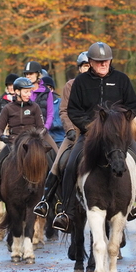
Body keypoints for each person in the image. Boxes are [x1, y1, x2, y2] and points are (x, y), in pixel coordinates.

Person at [51, 42, 136, 232]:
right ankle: (66, 213)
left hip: (118, 135)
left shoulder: (121, 79)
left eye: (106, 61)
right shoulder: (81, 83)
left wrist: (122, 123)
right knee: (70, 161)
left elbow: (133, 106)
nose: (103, 64)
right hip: (90, 135)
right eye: (99, 61)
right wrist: (90, 127)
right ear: (90, 62)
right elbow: (73, 111)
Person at [0, 77, 58, 216]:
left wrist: (36, 137)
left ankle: (58, 201)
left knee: (52, 165)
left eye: (29, 91)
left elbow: (41, 127)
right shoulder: (8, 108)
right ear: (17, 92)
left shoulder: (35, 107)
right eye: (26, 91)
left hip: (32, 144)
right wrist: (2, 137)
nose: (29, 94)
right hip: (13, 144)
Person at [33, 51, 90, 218]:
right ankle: (48, 201)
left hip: (99, 133)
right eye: (84, 66)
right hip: (76, 132)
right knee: (59, 162)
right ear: (80, 68)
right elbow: (64, 111)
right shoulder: (70, 85)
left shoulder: (102, 84)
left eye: (89, 65)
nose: (87, 69)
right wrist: (70, 129)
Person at [22, 61, 54, 130]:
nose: (28, 76)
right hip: (25, 131)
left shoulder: (47, 92)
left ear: (38, 75)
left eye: (31, 74)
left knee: (51, 141)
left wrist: (45, 128)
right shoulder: (21, 92)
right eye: (26, 74)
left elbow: (50, 114)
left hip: (42, 130)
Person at [42, 76, 65, 146]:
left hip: (59, 139)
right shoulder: (39, 104)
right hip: (43, 139)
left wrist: (50, 124)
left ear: (51, 89)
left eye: (47, 88)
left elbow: (63, 120)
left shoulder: (60, 103)